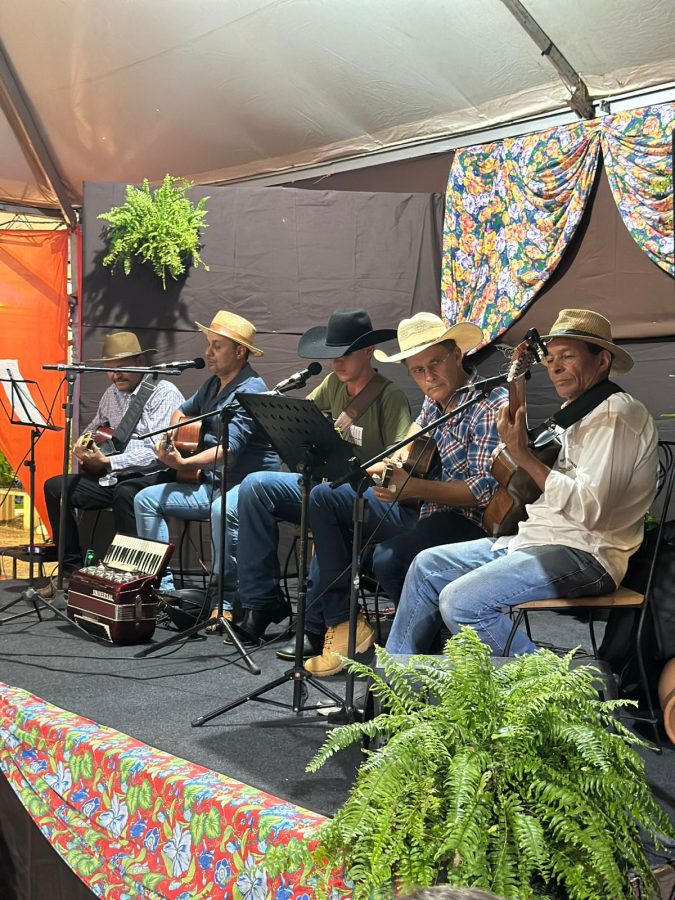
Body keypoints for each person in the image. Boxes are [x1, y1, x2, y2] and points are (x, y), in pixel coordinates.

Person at [387, 308, 659, 657]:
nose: (555, 366)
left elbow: (592, 512)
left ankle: (556, 697)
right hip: (538, 540)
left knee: (461, 602)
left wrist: (525, 457)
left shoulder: (617, 413)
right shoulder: (577, 414)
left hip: (587, 555)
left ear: (602, 360)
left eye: (569, 356)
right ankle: (395, 685)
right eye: (552, 358)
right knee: (426, 566)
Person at [298, 311, 508, 677]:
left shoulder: (490, 403)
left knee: (387, 559)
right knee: (324, 496)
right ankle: (342, 620)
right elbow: (411, 443)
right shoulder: (434, 401)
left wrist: (416, 487)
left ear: (457, 355)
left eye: (435, 365)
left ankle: (429, 644)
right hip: (425, 509)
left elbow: (483, 493)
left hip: (470, 523)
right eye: (417, 371)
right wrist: (390, 463)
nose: (428, 378)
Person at [234, 308, 412, 644]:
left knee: (326, 503)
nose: (336, 363)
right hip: (325, 483)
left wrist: (353, 469)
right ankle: (262, 602)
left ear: (367, 352)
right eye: (332, 356)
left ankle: (316, 625)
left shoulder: (391, 398)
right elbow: (302, 423)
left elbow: (398, 460)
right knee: (255, 486)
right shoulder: (332, 385)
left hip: (362, 495)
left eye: (344, 354)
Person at [133, 311, 280, 626]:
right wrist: (173, 437)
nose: (207, 352)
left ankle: (223, 600)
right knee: (144, 499)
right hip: (212, 484)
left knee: (219, 510)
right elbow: (181, 410)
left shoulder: (251, 389)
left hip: (246, 488)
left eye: (216, 346)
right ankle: (163, 592)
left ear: (239, 352)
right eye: (209, 344)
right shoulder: (213, 384)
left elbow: (229, 451)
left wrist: (183, 463)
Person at [41, 332, 185, 595]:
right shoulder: (111, 393)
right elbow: (95, 427)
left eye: (122, 369)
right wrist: (82, 446)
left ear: (141, 361)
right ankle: (69, 573)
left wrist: (108, 461)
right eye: (110, 370)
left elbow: (157, 451)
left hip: (154, 475)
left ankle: (132, 581)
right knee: (55, 487)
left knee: (125, 492)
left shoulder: (164, 392)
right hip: (115, 474)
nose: (115, 376)